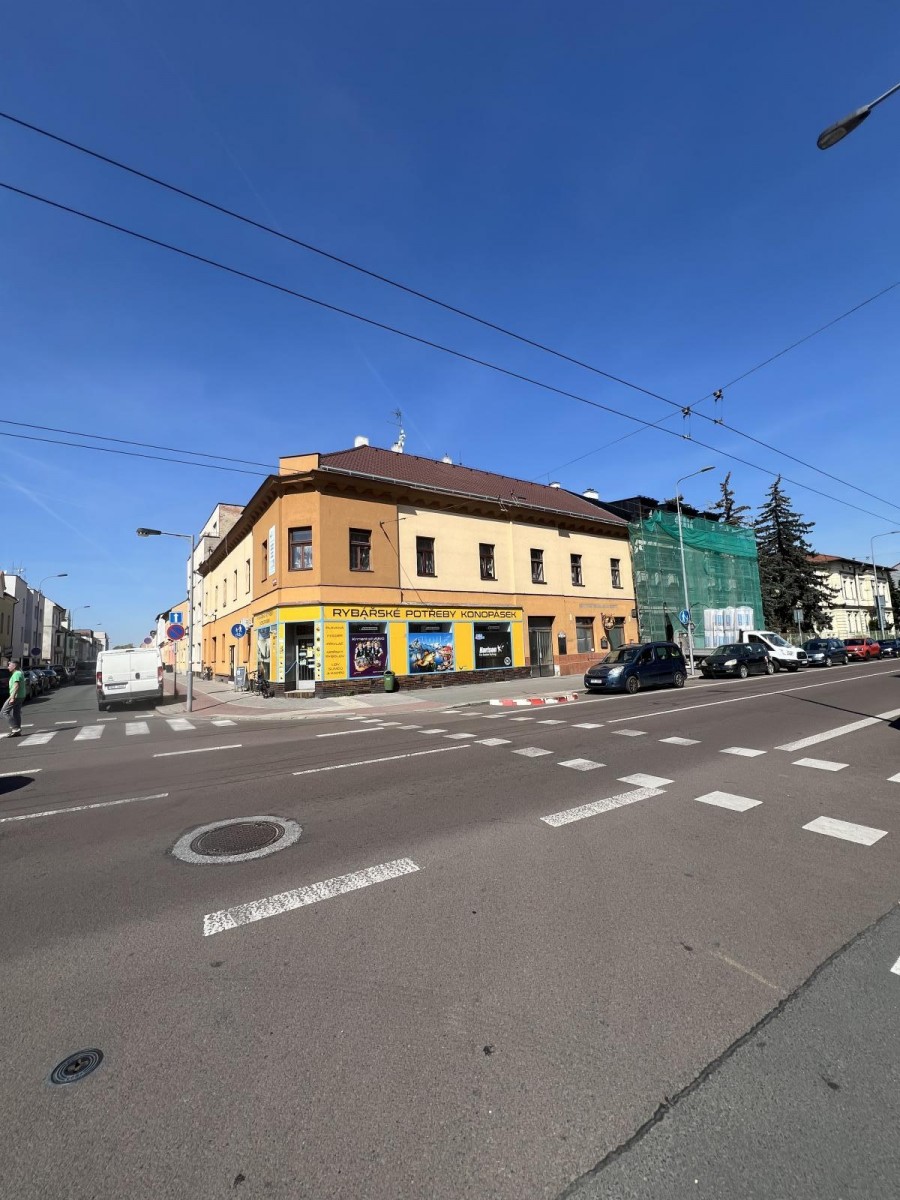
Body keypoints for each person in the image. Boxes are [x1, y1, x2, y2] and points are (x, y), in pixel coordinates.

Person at [2, 658, 24, 738]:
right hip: (20, 696)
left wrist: (12, 697)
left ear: (14, 666)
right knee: (16, 713)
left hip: (16, 696)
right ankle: (17, 731)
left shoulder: (16, 674)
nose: (8, 667)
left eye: (9, 665)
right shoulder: (20, 672)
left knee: (4, 712)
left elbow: (16, 686)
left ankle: (15, 728)